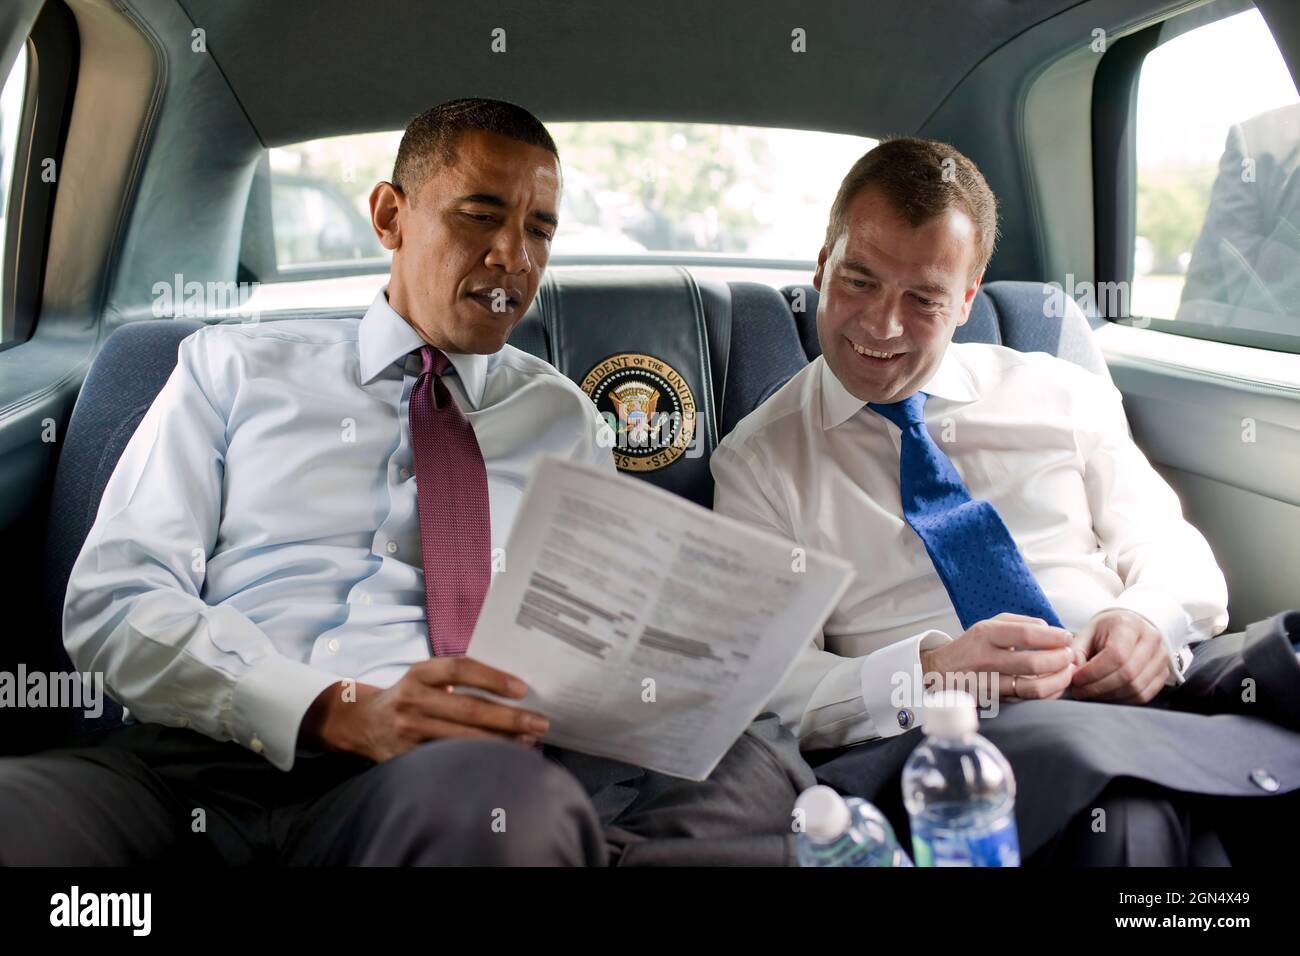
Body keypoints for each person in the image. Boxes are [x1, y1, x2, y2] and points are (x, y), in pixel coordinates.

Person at [0, 99, 810, 867]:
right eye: (480, 213)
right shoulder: (233, 369)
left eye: (540, 229)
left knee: (505, 808)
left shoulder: (562, 420)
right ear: (390, 215)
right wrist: (329, 706)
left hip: (431, 784)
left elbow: (596, 639)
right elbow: (116, 601)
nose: (513, 257)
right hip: (193, 763)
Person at [712, 136, 1300, 866]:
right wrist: (931, 672)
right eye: (858, 281)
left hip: (1149, 700)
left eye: (923, 299)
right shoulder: (760, 461)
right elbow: (766, 686)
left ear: (965, 300)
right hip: (962, 748)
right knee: (1127, 819)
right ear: (822, 266)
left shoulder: (1059, 392)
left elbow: (1171, 550)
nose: (881, 326)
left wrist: (1146, 619)